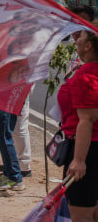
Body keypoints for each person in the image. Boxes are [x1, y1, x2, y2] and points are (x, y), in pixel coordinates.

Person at [57, 29, 98, 220]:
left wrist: (79, 160)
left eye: (79, 38)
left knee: (81, 213)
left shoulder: (87, 74)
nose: (75, 42)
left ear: (88, 46)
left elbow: (86, 120)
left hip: (88, 150)